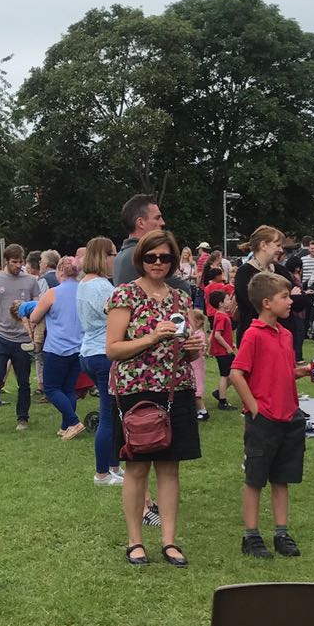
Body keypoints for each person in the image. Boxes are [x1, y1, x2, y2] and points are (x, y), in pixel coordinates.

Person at [105, 228, 204, 566]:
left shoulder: (182, 298)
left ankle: (169, 541)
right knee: (136, 468)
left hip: (176, 389)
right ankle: (135, 541)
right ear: (140, 259)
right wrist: (151, 338)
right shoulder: (125, 295)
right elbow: (113, 349)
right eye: (151, 257)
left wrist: (194, 348)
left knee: (170, 468)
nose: (158, 262)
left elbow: (184, 351)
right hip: (135, 390)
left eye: (164, 257)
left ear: (173, 260)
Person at [228, 272, 312, 559]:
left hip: (289, 417)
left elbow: (280, 372)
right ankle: (251, 535)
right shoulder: (253, 335)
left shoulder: (285, 335)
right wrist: (254, 408)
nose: (290, 302)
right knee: (255, 479)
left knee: (282, 478)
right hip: (264, 421)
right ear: (266, 303)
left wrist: (299, 372)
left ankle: (281, 533)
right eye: (284, 297)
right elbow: (237, 374)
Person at [0, 246, 41, 434]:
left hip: (23, 338)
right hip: (1, 336)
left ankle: (22, 418)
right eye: (14, 262)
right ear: (6, 261)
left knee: (24, 381)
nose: (18, 265)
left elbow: (38, 308)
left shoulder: (31, 281)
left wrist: (35, 334)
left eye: (21, 262)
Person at [77, 236, 121, 485]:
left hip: (88, 351)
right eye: (113, 254)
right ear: (103, 256)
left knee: (112, 413)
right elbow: (118, 317)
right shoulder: (103, 286)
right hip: (103, 353)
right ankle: (102, 473)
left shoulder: (84, 283)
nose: (116, 259)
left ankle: (113, 466)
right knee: (108, 416)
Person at [26, 257, 84, 439]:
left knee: (51, 388)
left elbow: (34, 317)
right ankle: (66, 426)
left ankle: (74, 422)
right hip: (79, 347)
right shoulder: (83, 290)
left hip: (57, 347)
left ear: (60, 271)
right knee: (69, 388)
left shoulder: (53, 293)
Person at [232, 226, 292, 342]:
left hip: (282, 335)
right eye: (278, 245)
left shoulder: (282, 271)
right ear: (263, 245)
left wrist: (278, 300)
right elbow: (252, 305)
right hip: (255, 337)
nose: (281, 250)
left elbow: (299, 301)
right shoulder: (244, 273)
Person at [113, 193, 168, 286]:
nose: (163, 222)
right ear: (140, 223)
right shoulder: (144, 256)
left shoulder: (120, 256)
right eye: (157, 218)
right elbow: (183, 288)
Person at [206, 288, 237, 409]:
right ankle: (222, 401)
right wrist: (228, 347)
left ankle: (219, 392)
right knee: (226, 375)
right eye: (227, 299)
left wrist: (231, 343)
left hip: (224, 350)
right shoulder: (221, 317)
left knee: (233, 374)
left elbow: (221, 334)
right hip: (223, 352)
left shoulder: (221, 315)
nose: (230, 301)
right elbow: (217, 335)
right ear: (221, 303)